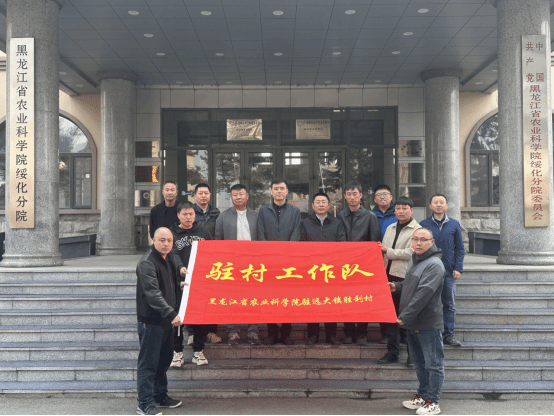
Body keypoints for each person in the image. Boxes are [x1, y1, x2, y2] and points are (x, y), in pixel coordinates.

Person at [389, 228, 446, 416]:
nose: (418, 243)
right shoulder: (416, 259)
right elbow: (410, 285)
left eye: (423, 239)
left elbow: (423, 294)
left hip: (428, 323)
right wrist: (397, 286)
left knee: (433, 364)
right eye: (415, 239)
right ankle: (422, 395)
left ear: (432, 242)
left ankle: (433, 401)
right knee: (420, 364)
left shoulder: (434, 264)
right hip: (413, 323)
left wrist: (404, 317)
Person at [136, 227, 183, 416]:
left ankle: (160, 396)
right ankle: (144, 404)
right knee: (148, 364)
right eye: (162, 240)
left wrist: (179, 285)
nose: (166, 244)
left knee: (163, 361)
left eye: (169, 240)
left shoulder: (168, 258)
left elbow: (166, 284)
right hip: (152, 321)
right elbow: (153, 294)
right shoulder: (147, 262)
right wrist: (171, 314)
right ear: (153, 240)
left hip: (166, 322)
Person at [214, 184, 262, 346]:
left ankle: (253, 330)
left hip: (253, 264)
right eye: (235, 195)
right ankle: (232, 331)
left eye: (241, 194)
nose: (238, 197)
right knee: (232, 298)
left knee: (253, 297)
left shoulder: (256, 216)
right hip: (231, 264)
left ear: (247, 196)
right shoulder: (223, 216)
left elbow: (262, 239)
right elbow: (218, 241)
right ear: (231, 197)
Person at [378, 197, 421, 367]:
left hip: (406, 278)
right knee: (390, 316)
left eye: (404, 208)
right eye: (398, 208)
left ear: (411, 210)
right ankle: (392, 352)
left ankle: (413, 355)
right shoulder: (390, 227)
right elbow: (384, 249)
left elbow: (413, 251)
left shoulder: (417, 230)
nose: (401, 211)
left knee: (408, 316)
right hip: (387, 277)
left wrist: (389, 251)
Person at [258, 179, 302, 345]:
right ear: (271, 192)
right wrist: (268, 254)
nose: (279, 191)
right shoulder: (263, 211)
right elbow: (260, 233)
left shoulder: (295, 211)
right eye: (275, 189)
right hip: (268, 262)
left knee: (287, 298)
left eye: (282, 188)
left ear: (287, 191)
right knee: (270, 298)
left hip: (288, 263)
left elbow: (296, 234)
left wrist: (287, 255)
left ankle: (286, 333)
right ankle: (271, 333)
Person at [300, 192, 346, 345]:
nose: (321, 204)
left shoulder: (337, 223)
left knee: (330, 302)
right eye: (318, 202)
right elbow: (301, 243)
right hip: (311, 270)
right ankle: (312, 335)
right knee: (312, 302)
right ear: (313, 205)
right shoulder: (305, 223)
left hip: (331, 270)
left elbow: (342, 244)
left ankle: (331, 335)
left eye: (324, 202)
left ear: (329, 205)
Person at [337, 183, 381, 345]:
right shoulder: (341, 215)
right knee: (347, 299)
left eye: (355, 193)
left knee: (362, 299)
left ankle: (362, 333)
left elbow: (375, 241)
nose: (352, 197)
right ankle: (348, 332)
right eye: (348, 194)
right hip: (345, 265)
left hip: (363, 265)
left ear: (361, 195)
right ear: (345, 196)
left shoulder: (370, 216)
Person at [170, 202, 212, 367]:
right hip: (179, 282)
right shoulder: (172, 233)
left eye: (191, 214)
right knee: (178, 318)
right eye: (185, 214)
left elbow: (212, 251)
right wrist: (180, 267)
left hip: (200, 282)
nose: (188, 217)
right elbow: (172, 253)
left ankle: (198, 351)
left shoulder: (203, 231)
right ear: (178, 215)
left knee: (200, 318)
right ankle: (177, 352)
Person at [420, 194, 465, 348]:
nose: (438, 205)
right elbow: (420, 248)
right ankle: (431, 333)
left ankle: (448, 334)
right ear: (430, 205)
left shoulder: (454, 224)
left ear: (446, 205)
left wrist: (458, 268)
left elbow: (460, 249)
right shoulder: (424, 225)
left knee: (449, 304)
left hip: (449, 271)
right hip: (429, 271)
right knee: (428, 302)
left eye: (441, 202)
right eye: (435, 202)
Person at [192, 183, 221, 343]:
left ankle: (211, 331)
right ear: (195, 195)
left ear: (210, 195)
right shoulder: (190, 213)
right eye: (200, 193)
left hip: (212, 260)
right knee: (195, 297)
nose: (203, 196)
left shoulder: (216, 213)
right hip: (194, 259)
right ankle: (193, 332)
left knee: (212, 297)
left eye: (206, 193)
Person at [372, 184, 398, 345]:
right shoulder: (370, 215)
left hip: (394, 261)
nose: (382, 197)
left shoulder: (398, 213)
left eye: (385, 194)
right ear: (374, 199)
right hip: (375, 261)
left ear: (391, 197)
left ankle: (398, 333)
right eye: (379, 195)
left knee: (395, 297)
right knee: (381, 297)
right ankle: (384, 333)